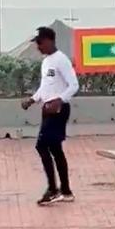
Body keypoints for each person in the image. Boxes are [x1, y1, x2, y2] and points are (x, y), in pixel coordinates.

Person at [21, 26, 79, 205]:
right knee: (55, 149)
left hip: (58, 110)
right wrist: (32, 99)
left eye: (39, 43)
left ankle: (53, 189)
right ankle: (66, 191)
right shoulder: (46, 62)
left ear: (49, 41)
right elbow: (45, 87)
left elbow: (74, 85)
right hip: (47, 109)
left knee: (41, 145)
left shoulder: (61, 60)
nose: (38, 46)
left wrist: (60, 100)